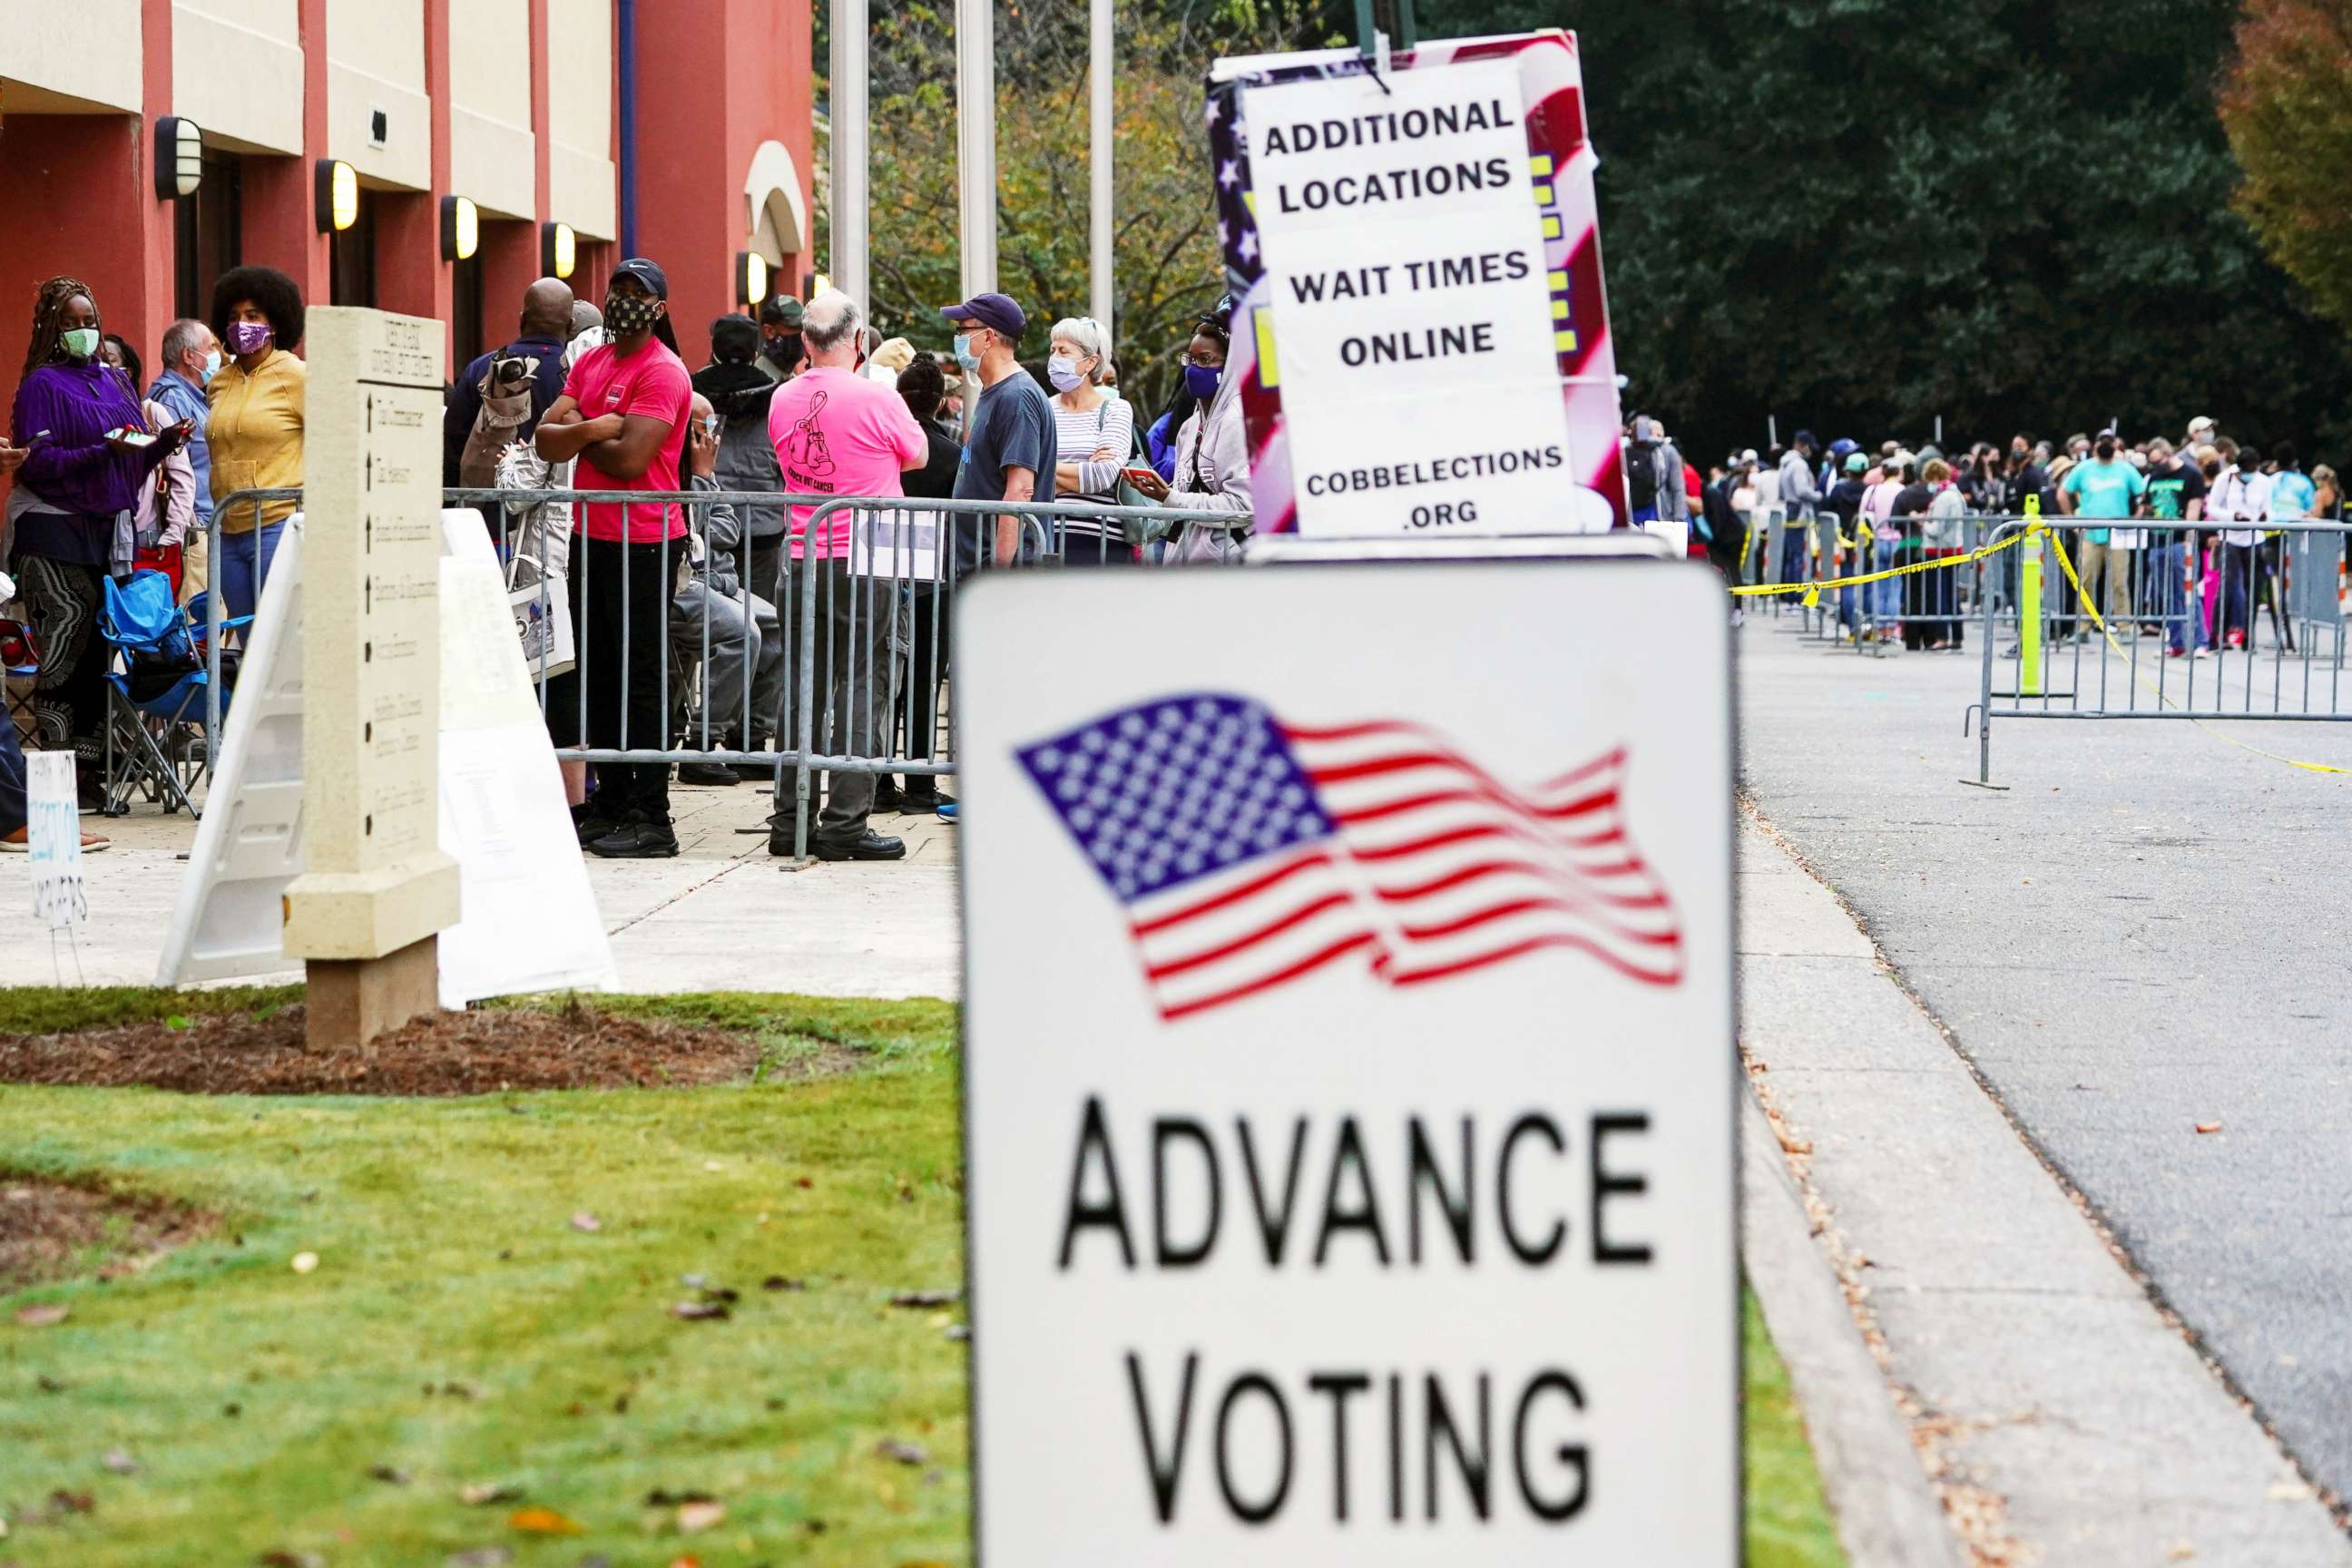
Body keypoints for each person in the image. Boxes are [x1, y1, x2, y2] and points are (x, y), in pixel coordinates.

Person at [7, 277, 192, 800]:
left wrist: (162, 447)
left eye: (89, 321)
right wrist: (101, 453)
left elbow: (129, 457)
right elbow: (38, 463)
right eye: (71, 322)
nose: (83, 331)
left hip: (104, 528)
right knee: (65, 642)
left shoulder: (116, 382)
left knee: (96, 651)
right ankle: (58, 776)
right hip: (51, 527)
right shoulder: (41, 385)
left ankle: (93, 771)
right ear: (51, 326)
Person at [534, 256, 695, 858]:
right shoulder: (593, 360)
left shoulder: (665, 372)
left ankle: (652, 814)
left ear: (658, 308)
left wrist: (584, 429)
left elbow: (633, 462)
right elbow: (545, 439)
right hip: (591, 533)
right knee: (597, 670)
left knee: (641, 673)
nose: (622, 300)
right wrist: (602, 426)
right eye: (616, 290)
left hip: (647, 537)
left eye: (636, 293)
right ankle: (610, 801)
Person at [764, 289, 928, 861]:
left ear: (806, 342)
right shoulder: (878, 398)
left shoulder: (782, 399)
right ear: (859, 342)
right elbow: (918, 455)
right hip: (867, 560)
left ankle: (789, 819)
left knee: (800, 690)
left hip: (803, 557)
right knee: (863, 686)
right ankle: (844, 822)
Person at [673, 392, 784, 786]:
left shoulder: (704, 469)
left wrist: (701, 513)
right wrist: (701, 483)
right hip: (683, 584)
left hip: (720, 581)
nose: (712, 437)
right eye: (702, 429)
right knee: (742, 633)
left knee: (776, 624)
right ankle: (702, 743)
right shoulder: (674, 466)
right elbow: (684, 528)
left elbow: (729, 528)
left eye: (712, 427)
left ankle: (749, 738)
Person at [871, 355, 962, 817]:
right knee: (925, 680)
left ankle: (880, 781)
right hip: (934, 575)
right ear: (941, 402)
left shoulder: (884, 446)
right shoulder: (950, 455)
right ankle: (921, 784)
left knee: (885, 678)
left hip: (883, 568)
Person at [205, 264, 307, 624]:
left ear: (274, 322)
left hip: (277, 525)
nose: (241, 324)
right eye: (233, 317)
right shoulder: (219, 382)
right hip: (227, 529)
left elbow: (333, 445)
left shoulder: (296, 375)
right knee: (248, 642)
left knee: (279, 638)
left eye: (252, 315)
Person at [1123, 297, 1250, 564]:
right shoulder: (1188, 427)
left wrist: (1170, 497)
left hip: (1225, 568)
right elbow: (1189, 493)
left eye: (1206, 360)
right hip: (1186, 564)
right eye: (1190, 359)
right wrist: (1156, 491)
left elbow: (1242, 506)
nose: (1194, 369)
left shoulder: (1236, 420)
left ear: (1229, 365)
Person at [942, 291, 1057, 577]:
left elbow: (1019, 490)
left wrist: (999, 575)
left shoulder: (1017, 397)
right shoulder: (996, 391)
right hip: (978, 567)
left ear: (989, 337)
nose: (958, 338)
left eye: (963, 330)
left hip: (1001, 573)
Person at [445, 277, 573, 513]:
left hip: (485, 519)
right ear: (571, 326)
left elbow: (452, 442)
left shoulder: (481, 369)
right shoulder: (580, 375)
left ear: (522, 319)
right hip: (559, 522)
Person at [691, 315, 788, 611]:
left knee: (715, 621)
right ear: (756, 352)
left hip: (712, 526)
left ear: (713, 350)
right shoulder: (778, 397)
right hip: (764, 528)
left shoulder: (693, 394)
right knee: (762, 615)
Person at [98, 336, 197, 595]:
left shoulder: (151, 413)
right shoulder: (87, 417)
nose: (101, 367)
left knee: (150, 625)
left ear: (128, 371)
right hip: (97, 546)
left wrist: (174, 532)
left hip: (150, 546)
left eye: (109, 360)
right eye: (95, 361)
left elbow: (182, 476)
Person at [1044, 316, 1135, 565]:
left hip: (1103, 544)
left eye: (1064, 351)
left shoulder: (1116, 409)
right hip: (1046, 540)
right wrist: (1082, 471)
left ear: (1090, 361)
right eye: (1052, 350)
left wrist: (1045, 473)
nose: (1054, 358)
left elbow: (1104, 475)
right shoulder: (1043, 409)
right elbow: (1023, 478)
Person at [148, 318, 219, 601]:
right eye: (210, 347)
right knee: (197, 628)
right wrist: (186, 528)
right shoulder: (170, 399)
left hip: (206, 528)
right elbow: (171, 466)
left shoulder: (195, 397)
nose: (217, 356)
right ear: (189, 356)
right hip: (193, 533)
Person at [2058, 431, 2146, 638]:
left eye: (2110, 441)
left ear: (2115, 445)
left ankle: (2124, 626)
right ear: (2095, 445)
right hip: (2090, 533)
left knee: (2119, 582)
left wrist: (2137, 515)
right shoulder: (2084, 468)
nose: (2106, 444)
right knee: (2086, 581)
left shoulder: (2125, 469)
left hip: (2118, 534)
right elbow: (2063, 492)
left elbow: (2142, 492)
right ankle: (2083, 628)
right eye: (2102, 441)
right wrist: (2072, 521)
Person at [2206, 446, 2269, 653]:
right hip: (2231, 538)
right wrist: (2233, 516)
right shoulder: (2225, 479)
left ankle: (2248, 635)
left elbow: (2269, 507)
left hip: (2254, 538)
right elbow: (2212, 507)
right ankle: (2217, 634)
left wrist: (2265, 516)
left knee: (2254, 588)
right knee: (2228, 586)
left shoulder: (2262, 481)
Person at [1776, 432, 1819, 585]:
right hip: (1800, 513)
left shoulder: (1785, 463)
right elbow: (1802, 490)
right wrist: (1818, 496)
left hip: (1790, 510)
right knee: (1799, 557)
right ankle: (1797, 598)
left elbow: (1780, 491)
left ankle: (1790, 597)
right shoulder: (1799, 465)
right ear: (1802, 445)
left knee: (1791, 556)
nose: (1811, 451)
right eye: (1809, 447)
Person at [756, 296, 806, 383]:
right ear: (769, 331)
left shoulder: (794, 381)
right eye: (794, 327)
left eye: (803, 328)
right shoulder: (758, 382)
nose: (801, 334)